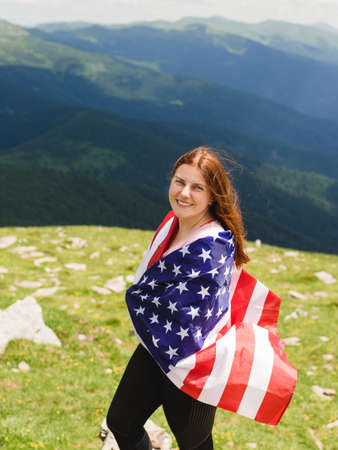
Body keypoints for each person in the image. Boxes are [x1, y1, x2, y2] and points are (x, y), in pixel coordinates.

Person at [105, 147, 297, 449]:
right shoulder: (172, 223)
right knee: (121, 422)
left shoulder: (213, 247)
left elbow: (185, 313)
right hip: (155, 347)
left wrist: (141, 300)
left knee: (194, 441)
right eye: (179, 182)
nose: (184, 193)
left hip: (193, 358)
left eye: (197, 187)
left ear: (213, 195)